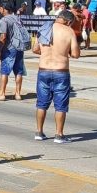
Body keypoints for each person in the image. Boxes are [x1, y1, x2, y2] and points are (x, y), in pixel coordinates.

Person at [33, 9, 80, 143]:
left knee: (41, 103)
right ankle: (59, 134)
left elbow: (35, 49)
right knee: (60, 105)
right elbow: (76, 54)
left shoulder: (44, 28)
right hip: (61, 71)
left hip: (43, 69)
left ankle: (39, 132)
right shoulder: (69, 31)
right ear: (69, 21)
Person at [0, 3, 30, 101]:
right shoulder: (17, 18)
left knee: (4, 71)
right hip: (19, 47)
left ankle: (2, 93)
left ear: (5, 9)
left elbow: (3, 37)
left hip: (9, 48)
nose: (0, 10)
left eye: (1, 8)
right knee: (18, 71)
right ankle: (18, 94)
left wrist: (0, 50)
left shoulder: (4, 20)